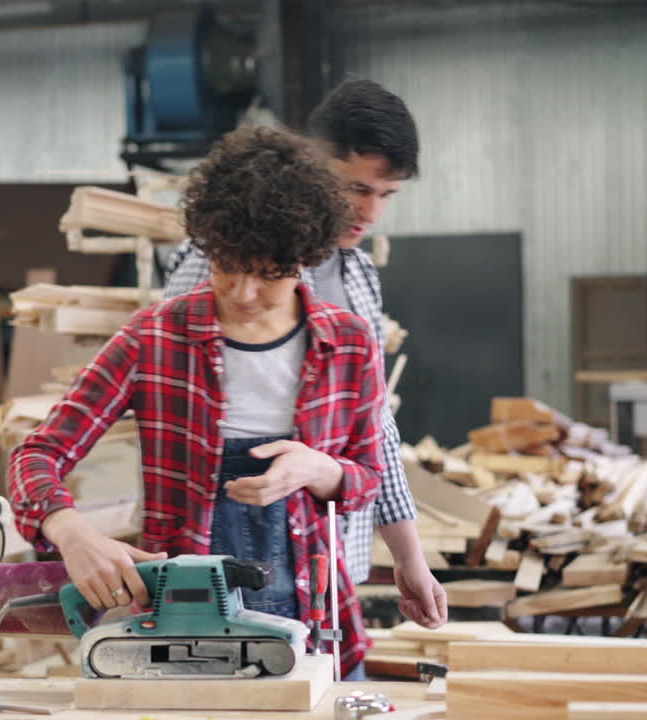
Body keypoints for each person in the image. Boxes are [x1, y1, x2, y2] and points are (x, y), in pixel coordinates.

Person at [8, 127, 385, 680]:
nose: (243, 293)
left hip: (315, 624)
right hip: (182, 634)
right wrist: (70, 531)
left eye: (267, 275)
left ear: (304, 258)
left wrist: (323, 470)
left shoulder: (348, 344)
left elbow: (370, 479)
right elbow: (36, 454)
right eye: (227, 268)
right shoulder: (154, 338)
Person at [164, 78, 448, 629]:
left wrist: (410, 559)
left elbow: (374, 429)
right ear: (310, 162)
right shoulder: (225, 259)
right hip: (230, 552)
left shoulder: (358, 275)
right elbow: (172, 395)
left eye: (386, 195)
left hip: (330, 556)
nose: (370, 212)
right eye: (355, 188)